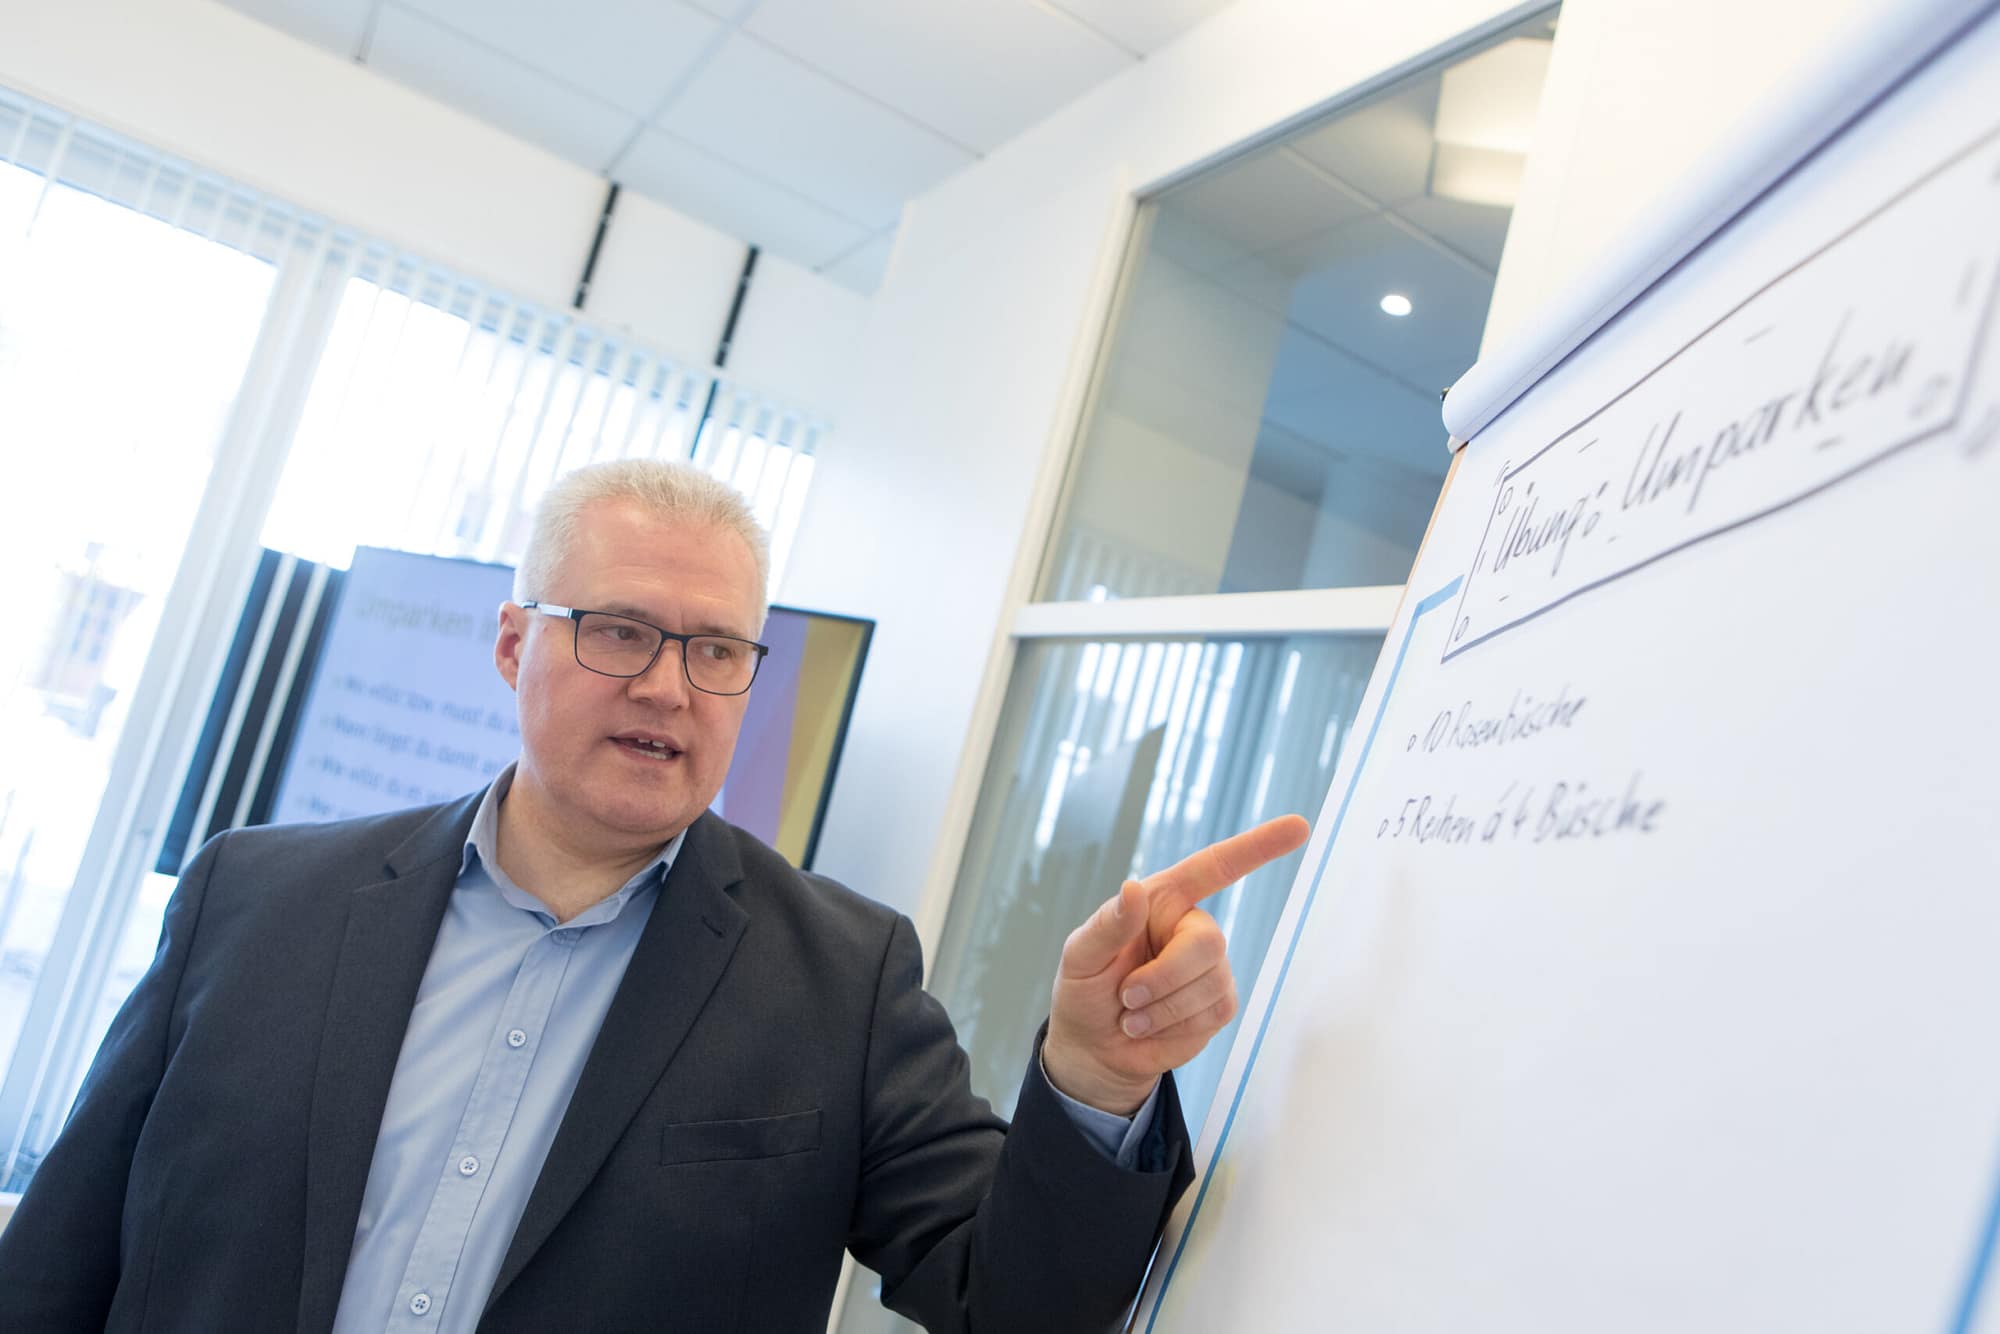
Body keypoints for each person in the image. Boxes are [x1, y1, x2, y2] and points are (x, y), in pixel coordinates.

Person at [0, 460, 1307, 1332]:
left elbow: (1011, 1306)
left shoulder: (843, 981)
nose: (669, 687)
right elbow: (59, 1260)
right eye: (620, 630)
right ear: (514, 641)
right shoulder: (253, 898)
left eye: (717, 649)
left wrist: (1096, 1075)